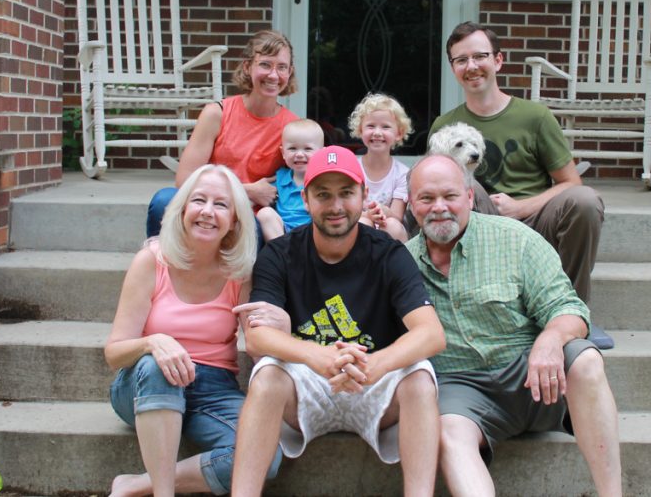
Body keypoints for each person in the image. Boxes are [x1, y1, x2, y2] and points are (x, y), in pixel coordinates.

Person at [230, 146, 446, 497]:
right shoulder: (279, 253)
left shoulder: (389, 253)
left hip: (373, 381)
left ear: (363, 194)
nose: (335, 206)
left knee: (420, 378)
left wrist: (375, 364)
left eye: (346, 193)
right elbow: (257, 339)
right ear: (305, 199)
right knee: (268, 375)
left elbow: (431, 334)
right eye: (323, 194)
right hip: (307, 382)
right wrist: (320, 357)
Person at [405, 155, 622, 497]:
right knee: (447, 433)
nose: (439, 208)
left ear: (470, 197)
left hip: (536, 377)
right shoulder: (401, 264)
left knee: (587, 361)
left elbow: (570, 310)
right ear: (411, 205)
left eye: (450, 196)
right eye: (426, 198)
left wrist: (550, 339)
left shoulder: (515, 240)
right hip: (462, 390)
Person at [105, 165, 279, 496]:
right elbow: (114, 353)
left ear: (235, 220)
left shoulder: (239, 271)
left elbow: (256, 344)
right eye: (199, 200)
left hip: (212, 389)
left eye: (221, 204)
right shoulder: (152, 261)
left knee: (265, 455)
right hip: (143, 383)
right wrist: (153, 342)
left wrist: (279, 328)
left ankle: (137, 485)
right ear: (183, 209)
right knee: (157, 365)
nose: (207, 213)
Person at [430, 21, 604, 304]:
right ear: (453, 69)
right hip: (478, 219)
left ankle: (569, 307)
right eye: (461, 60)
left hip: (536, 218)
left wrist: (521, 207)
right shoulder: (444, 125)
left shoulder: (535, 117)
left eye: (479, 56)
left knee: (584, 201)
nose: (471, 66)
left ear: (498, 60)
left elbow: (571, 181)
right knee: (461, 186)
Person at [146, 29, 300, 237]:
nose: (273, 75)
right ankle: (160, 265)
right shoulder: (216, 113)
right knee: (163, 201)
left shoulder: (292, 127)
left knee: (256, 228)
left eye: (282, 67)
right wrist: (247, 190)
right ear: (247, 66)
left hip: (249, 217)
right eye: (265, 64)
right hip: (206, 205)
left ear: (289, 72)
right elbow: (184, 179)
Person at [349, 93, 412, 241]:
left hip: (390, 228)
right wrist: (367, 215)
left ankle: (394, 264)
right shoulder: (352, 166)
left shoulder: (402, 173)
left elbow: (397, 215)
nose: (377, 133)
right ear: (360, 130)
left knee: (392, 225)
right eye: (370, 126)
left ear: (399, 133)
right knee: (362, 223)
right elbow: (348, 209)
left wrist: (383, 211)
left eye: (385, 127)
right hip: (361, 222)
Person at [255, 119, 324, 242]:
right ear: (283, 153)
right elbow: (252, 200)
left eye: (307, 149)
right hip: (282, 233)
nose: (299, 154)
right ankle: (282, 255)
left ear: (322, 153)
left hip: (312, 233)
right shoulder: (280, 178)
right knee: (265, 213)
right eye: (292, 148)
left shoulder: (324, 180)